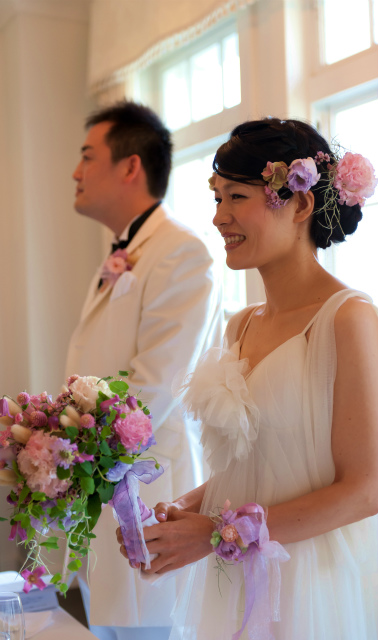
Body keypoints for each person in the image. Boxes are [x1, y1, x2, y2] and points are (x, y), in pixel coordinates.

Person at [118, 117, 378, 639]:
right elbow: (257, 465)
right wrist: (185, 510)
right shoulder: (240, 325)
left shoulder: (348, 319)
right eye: (217, 198)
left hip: (308, 582)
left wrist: (217, 533)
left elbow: (365, 490)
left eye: (237, 196)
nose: (219, 217)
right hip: (234, 577)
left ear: (301, 204)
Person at [66, 101, 222, 640]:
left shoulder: (183, 252)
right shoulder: (126, 250)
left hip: (151, 488)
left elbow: (155, 384)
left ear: (130, 165)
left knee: (151, 630)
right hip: (103, 486)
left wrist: (63, 440)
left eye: (87, 156)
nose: (76, 172)